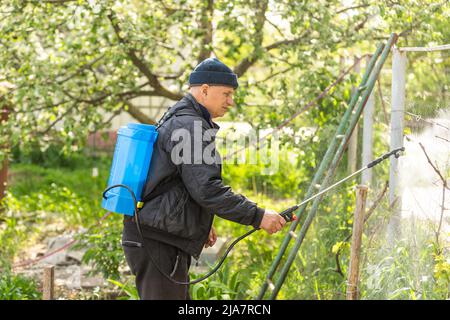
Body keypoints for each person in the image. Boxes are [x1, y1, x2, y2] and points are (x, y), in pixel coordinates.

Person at [121, 57, 287, 300]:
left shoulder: (182, 117)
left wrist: (199, 220)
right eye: (227, 94)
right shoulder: (190, 126)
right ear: (205, 90)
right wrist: (258, 216)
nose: (231, 102)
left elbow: (178, 180)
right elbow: (207, 189)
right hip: (157, 240)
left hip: (155, 235)